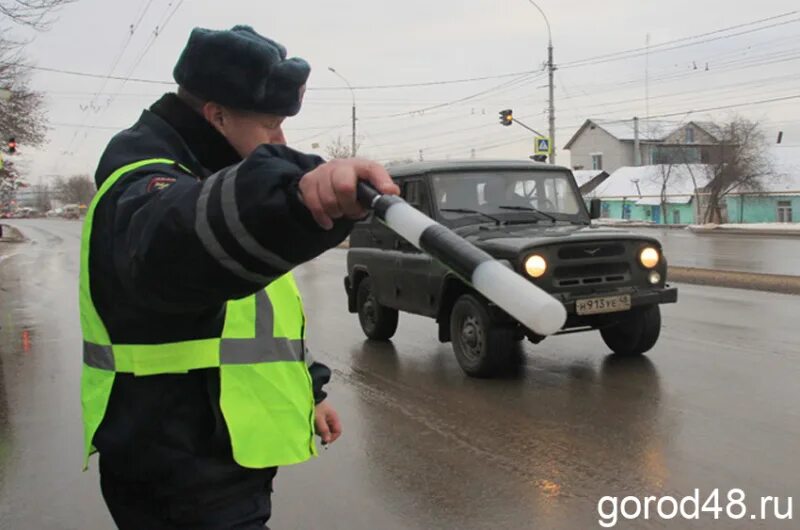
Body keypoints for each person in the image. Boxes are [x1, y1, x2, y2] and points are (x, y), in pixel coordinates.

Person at [79, 25, 399, 529]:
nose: (280, 140)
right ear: (216, 115)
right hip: (177, 466)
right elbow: (174, 242)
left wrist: (310, 393)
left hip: (215, 453)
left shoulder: (210, 175)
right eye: (269, 125)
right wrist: (289, 202)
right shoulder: (143, 176)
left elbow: (256, 314)